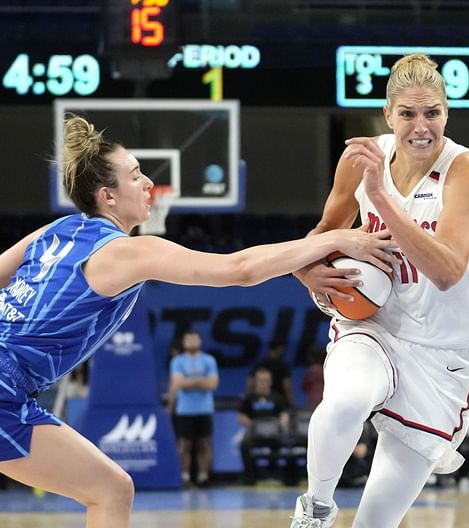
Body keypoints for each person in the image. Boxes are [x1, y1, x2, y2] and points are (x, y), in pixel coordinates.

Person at [0, 115, 394, 528]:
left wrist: (299, 266)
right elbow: (238, 269)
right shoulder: (125, 252)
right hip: (8, 386)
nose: (149, 183)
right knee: (110, 492)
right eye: (135, 177)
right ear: (108, 197)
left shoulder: (58, 230)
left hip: (13, 385)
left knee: (112, 490)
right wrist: (333, 239)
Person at [291, 52, 469, 527]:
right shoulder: (360, 160)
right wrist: (307, 273)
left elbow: (446, 270)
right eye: (408, 114)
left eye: (432, 113)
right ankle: (315, 509)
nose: (421, 126)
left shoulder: (466, 171)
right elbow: (324, 231)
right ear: (387, 114)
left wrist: (381, 198)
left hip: (441, 350)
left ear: (447, 112)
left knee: (376, 522)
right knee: (345, 400)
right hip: (372, 325)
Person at [169, 330, 218, 487]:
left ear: (200, 341)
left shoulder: (209, 360)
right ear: (184, 343)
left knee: (205, 444)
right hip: (185, 410)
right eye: (188, 339)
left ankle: (203, 477)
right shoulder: (178, 361)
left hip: (204, 409)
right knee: (185, 445)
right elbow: (177, 384)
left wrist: (188, 381)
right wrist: (201, 381)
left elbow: (212, 384)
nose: (191, 341)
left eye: (194, 338)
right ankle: (185, 477)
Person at [238, 367, 290, 485]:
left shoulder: (277, 398)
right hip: (254, 433)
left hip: (273, 432)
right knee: (244, 445)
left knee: (283, 442)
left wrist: (281, 424)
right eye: (260, 381)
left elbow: (284, 415)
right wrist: (252, 425)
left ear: (270, 382)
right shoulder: (249, 399)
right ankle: (250, 475)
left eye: (265, 381)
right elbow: (241, 416)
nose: (263, 384)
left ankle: (274, 472)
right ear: (255, 381)